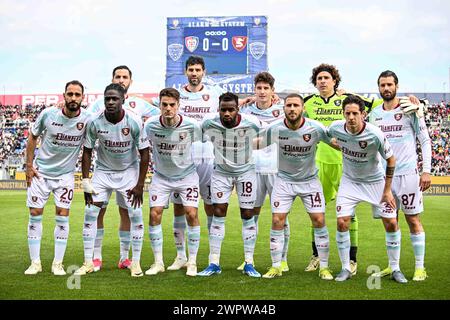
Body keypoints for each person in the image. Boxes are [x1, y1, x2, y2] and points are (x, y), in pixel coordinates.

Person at [302, 63, 377, 274]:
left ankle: (352, 260)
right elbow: (289, 110)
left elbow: (377, 104)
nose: (322, 81)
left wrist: (349, 93)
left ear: (335, 81)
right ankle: (316, 255)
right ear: (315, 83)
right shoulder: (308, 102)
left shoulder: (346, 101)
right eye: (319, 78)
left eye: (326, 78)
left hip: (346, 162)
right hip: (318, 162)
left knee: (349, 213)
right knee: (317, 210)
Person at [328, 94, 407, 283]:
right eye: (348, 113)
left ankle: (395, 268)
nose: (351, 117)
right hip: (350, 182)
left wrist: (387, 190)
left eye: (355, 113)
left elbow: (391, 159)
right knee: (342, 222)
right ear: (343, 114)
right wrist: (341, 146)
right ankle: (346, 267)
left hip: (375, 183)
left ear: (363, 114)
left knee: (391, 223)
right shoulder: (335, 128)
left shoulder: (375, 133)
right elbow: (328, 138)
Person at [88, 65, 160, 272]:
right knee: (98, 211)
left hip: (128, 168)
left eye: (124, 77)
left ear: (130, 81)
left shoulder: (139, 104)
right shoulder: (98, 105)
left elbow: (160, 113)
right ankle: (96, 257)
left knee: (126, 212)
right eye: (117, 76)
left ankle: (124, 257)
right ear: (112, 79)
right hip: (105, 167)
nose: (121, 80)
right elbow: (86, 119)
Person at [74, 83, 149, 277]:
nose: (110, 102)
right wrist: (85, 181)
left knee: (136, 216)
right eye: (107, 98)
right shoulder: (95, 121)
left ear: (123, 99)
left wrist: (140, 185)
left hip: (128, 173)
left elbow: (145, 153)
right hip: (103, 173)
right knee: (90, 213)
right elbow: (87, 152)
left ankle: (134, 262)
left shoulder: (133, 121)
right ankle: (89, 261)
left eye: (115, 98)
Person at [260, 94, 333, 280]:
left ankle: (324, 267)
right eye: (288, 105)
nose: (292, 109)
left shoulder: (315, 128)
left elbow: (333, 142)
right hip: (283, 181)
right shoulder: (274, 128)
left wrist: (357, 146)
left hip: (310, 181)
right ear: (283, 108)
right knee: (277, 220)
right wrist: (233, 143)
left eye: (296, 105)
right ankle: (276, 266)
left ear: (303, 109)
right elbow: (258, 143)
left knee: (318, 220)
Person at [369, 70, 431, 281]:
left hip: (408, 175)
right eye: (382, 85)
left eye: (389, 84)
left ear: (396, 86)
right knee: (389, 221)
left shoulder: (410, 109)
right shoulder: (374, 114)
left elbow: (425, 140)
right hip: (383, 178)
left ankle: (420, 268)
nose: (386, 88)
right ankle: (393, 266)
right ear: (378, 88)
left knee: (413, 219)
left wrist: (426, 170)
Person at [24, 80, 91, 275]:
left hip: (65, 177)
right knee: (35, 214)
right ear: (64, 96)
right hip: (41, 173)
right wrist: (29, 166)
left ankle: (57, 264)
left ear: (82, 98)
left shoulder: (87, 119)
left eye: (77, 95)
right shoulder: (48, 114)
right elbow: (32, 136)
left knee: (63, 217)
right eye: (70, 94)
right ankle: (35, 263)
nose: (73, 98)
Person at [197, 92, 262, 278]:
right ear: (218, 110)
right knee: (217, 212)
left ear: (237, 109)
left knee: (248, 214)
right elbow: (198, 136)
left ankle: (249, 262)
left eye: (230, 110)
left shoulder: (252, 123)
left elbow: (267, 136)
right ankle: (214, 262)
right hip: (221, 173)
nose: (226, 113)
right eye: (223, 110)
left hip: (246, 172)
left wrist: (249, 145)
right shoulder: (209, 124)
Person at [143, 88, 201, 277]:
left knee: (191, 214)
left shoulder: (192, 125)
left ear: (178, 105)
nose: (168, 108)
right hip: (161, 177)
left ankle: (191, 261)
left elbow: (206, 142)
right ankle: (158, 261)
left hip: (187, 176)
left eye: (172, 105)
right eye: (164, 105)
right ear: (159, 106)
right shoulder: (150, 125)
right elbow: (144, 148)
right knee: (154, 214)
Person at [239, 72, 288, 272]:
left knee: (281, 215)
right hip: (253, 168)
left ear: (272, 91)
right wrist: (242, 100)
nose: (262, 91)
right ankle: (248, 259)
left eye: (266, 88)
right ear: (254, 90)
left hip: (277, 168)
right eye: (258, 88)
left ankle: (283, 259)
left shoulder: (282, 109)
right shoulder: (246, 110)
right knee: (250, 212)